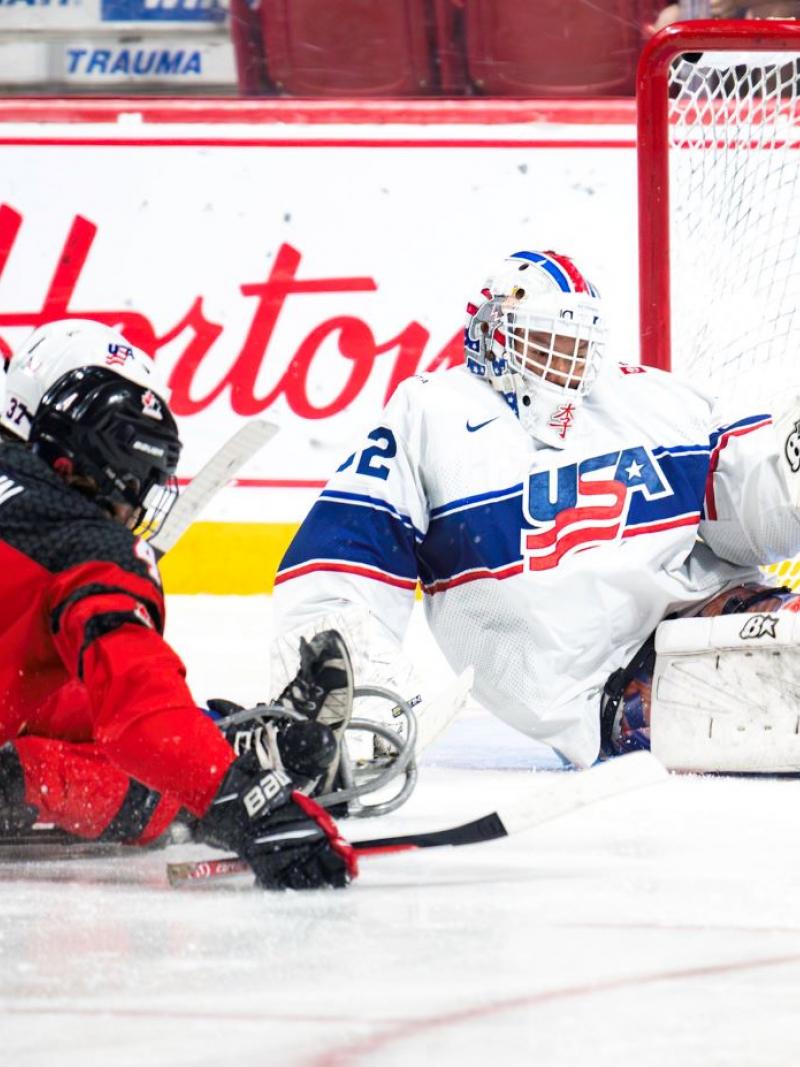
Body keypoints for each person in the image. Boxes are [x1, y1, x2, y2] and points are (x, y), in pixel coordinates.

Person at [271, 249, 800, 769]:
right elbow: (343, 551)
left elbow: (751, 515)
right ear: (492, 332)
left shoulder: (650, 399)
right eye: (547, 340)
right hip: (613, 689)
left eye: (578, 344)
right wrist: (348, 679)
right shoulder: (433, 414)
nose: (565, 361)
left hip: (726, 608)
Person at [0, 319, 358, 890]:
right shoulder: (83, 546)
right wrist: (248, 803)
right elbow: (139, 717)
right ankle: (236, 758)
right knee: (59, 769)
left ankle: (222, 736)